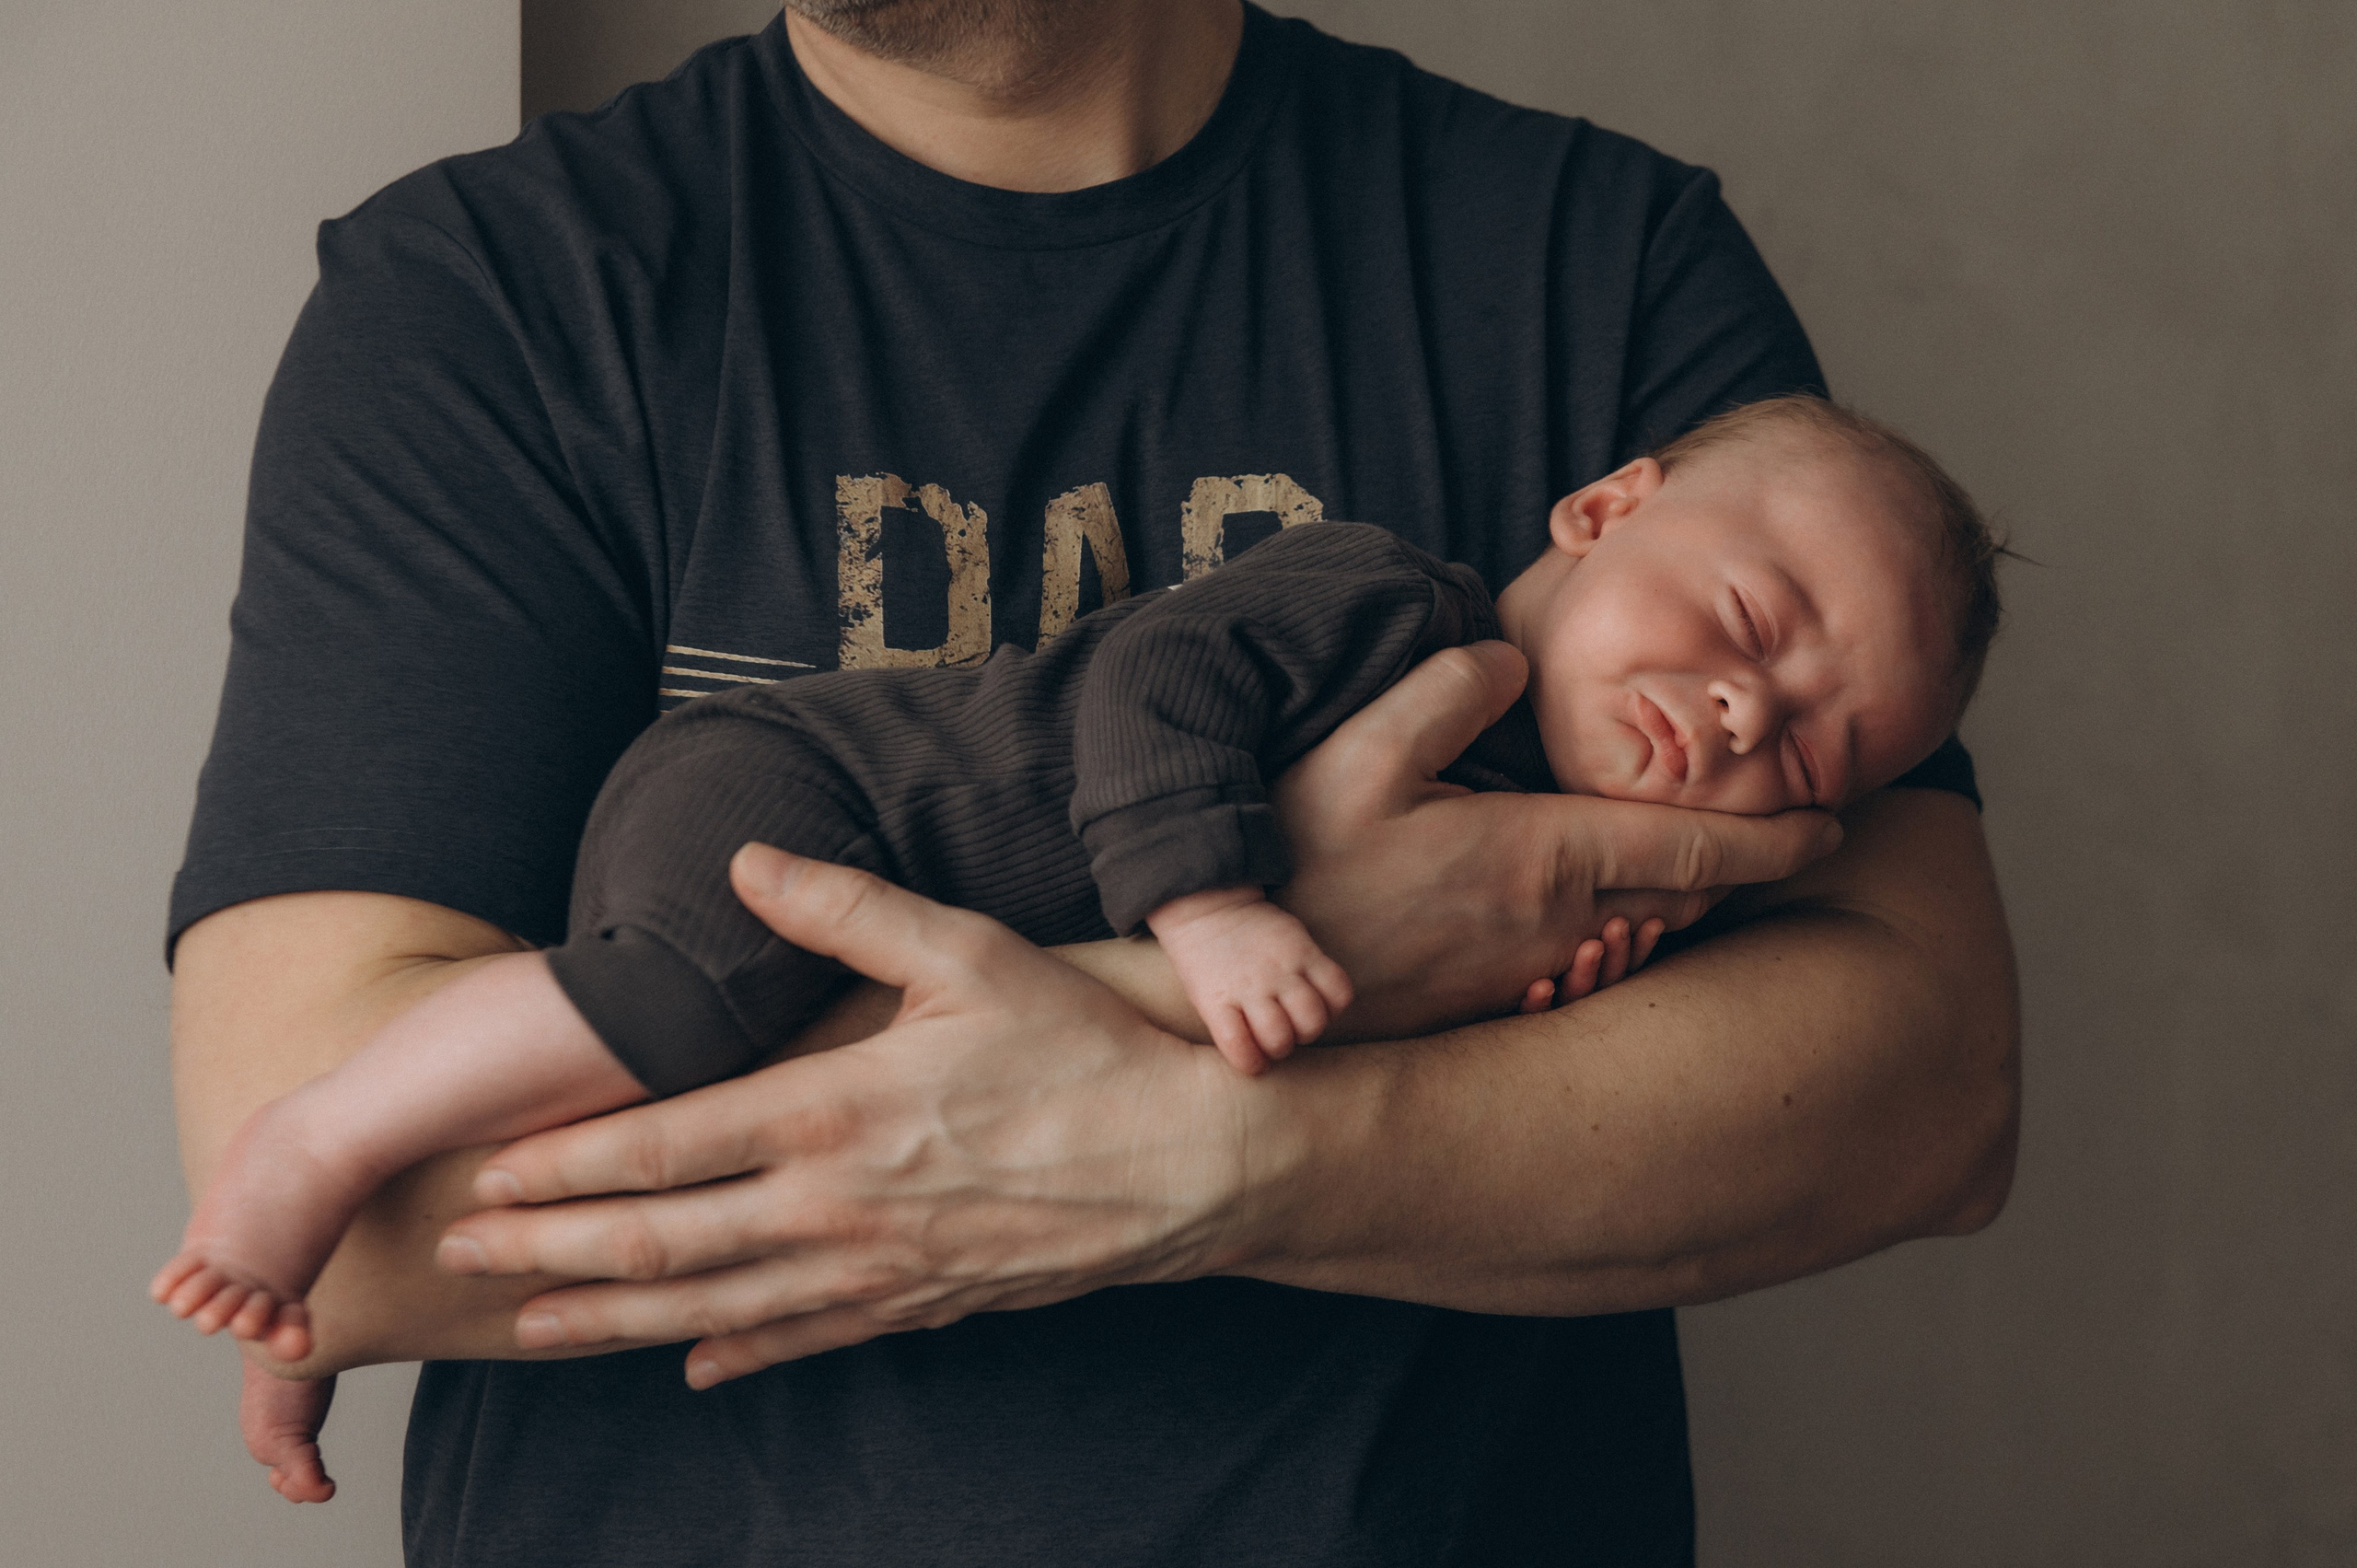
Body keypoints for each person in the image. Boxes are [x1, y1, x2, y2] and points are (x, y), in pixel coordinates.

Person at [168, 2, 2020, 1560]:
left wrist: (1223, 1161)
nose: (1740, 722)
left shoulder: (1588, 255)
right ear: (1596, 516)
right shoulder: (491, 294)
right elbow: (363, 1241)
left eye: (1803, 735)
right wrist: (1303, 971)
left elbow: (1922, 1087)